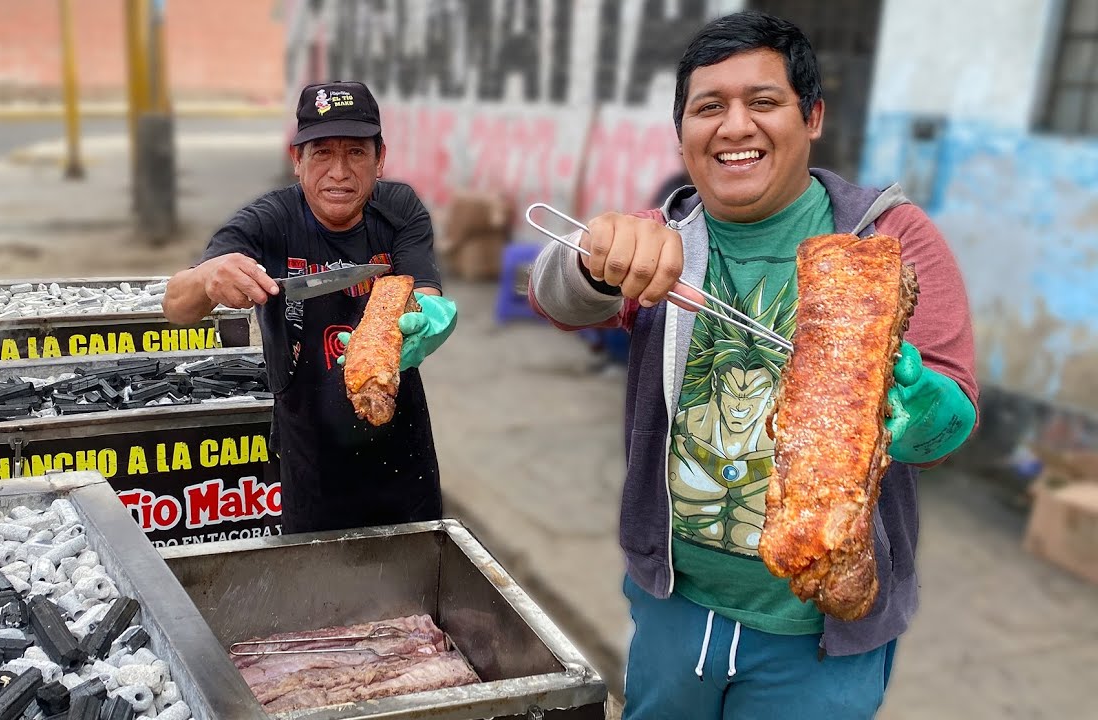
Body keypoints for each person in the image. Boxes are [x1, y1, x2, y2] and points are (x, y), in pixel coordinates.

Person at [529, 11, 977, 719]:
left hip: (821, 630)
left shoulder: (885, 242)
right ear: (682, 134)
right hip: (674, 603)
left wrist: (921, 411)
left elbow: (951, 414)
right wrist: (592, 259)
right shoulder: (663, 238)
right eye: (709, 108)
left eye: (763, 102)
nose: (734, 127)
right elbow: (557, 298)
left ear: (814, 118)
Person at [163, 81, 458, 535]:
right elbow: (176, 306)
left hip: (402, 448)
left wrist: (427, 321)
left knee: (415, 597)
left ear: (380, 159)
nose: (339, 172)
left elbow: (424, 291)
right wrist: (207, 277)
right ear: (296, 160)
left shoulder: (400, 209)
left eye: (356, 153)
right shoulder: (267, 221)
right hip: (309, 455)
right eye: (322, 153)